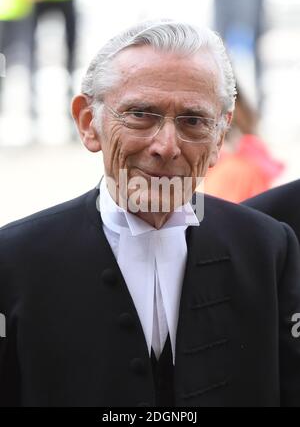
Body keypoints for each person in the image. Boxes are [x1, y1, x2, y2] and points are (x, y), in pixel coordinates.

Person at [0, 20, 300, 407]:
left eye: (193, 121)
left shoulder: (268, 248)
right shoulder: (14, 260)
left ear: (219, 138)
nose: (166, 146)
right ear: (89, 123)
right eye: (142, 114)